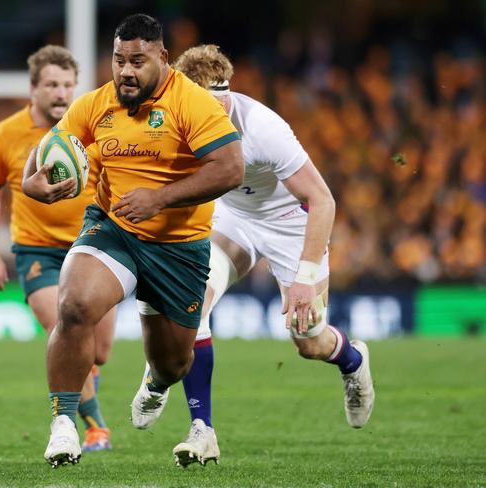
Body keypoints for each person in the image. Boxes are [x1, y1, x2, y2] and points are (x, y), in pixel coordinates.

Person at [22, 14, 244, 468]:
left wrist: (160, 198)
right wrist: (33, 186)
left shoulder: (193, 103)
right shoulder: (96, 103)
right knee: (74, 305)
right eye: (119, 60)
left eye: (137, 61)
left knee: (173, 364)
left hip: (178, 245)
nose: (125, 71)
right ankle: (64, 424)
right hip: (114, 228)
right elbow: (48, 149)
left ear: (162, 57)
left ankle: (156, 383)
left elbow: (229, 169)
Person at [141, 45, 376, 467]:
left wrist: (304, 279)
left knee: (309, 340)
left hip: (289, 224)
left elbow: (322, 201)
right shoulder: (173, 118)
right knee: (192, 303)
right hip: (232, 217)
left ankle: (353, 361)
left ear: (226, 95)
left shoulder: (263, 128)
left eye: (215, 104)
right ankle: (201, 427)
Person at [0, 45, 115, 453]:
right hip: (39, 253)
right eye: (52, 84)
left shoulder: (91, 129)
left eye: (68, 85)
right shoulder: (5, 135)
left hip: (94, 247)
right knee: (65, 329)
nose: (61, 93)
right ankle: (95, 427)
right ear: (33, 88)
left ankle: (84, 378)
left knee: (98, 351)